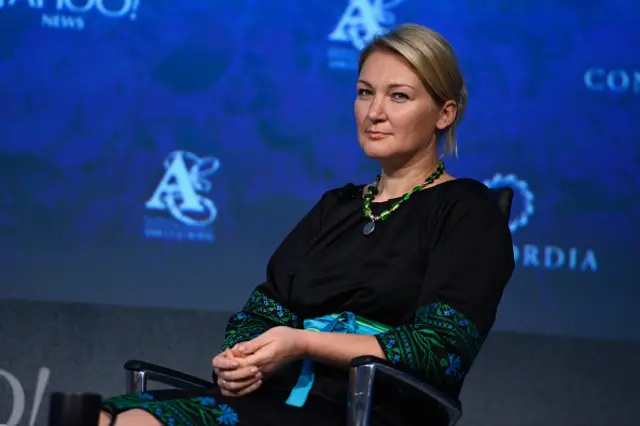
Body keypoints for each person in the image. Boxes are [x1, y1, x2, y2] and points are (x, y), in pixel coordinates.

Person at [99, 23, 515, 426]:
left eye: (399, 96)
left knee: (139, 423)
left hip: (364, 411)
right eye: (365, 93)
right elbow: (262, 310)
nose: (375, 112)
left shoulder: (468, 211)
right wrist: (241, 360)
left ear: (445, 113)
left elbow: (439, 350)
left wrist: (302, 343)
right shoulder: (337, 207)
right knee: (99, 414)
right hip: (273, 399)